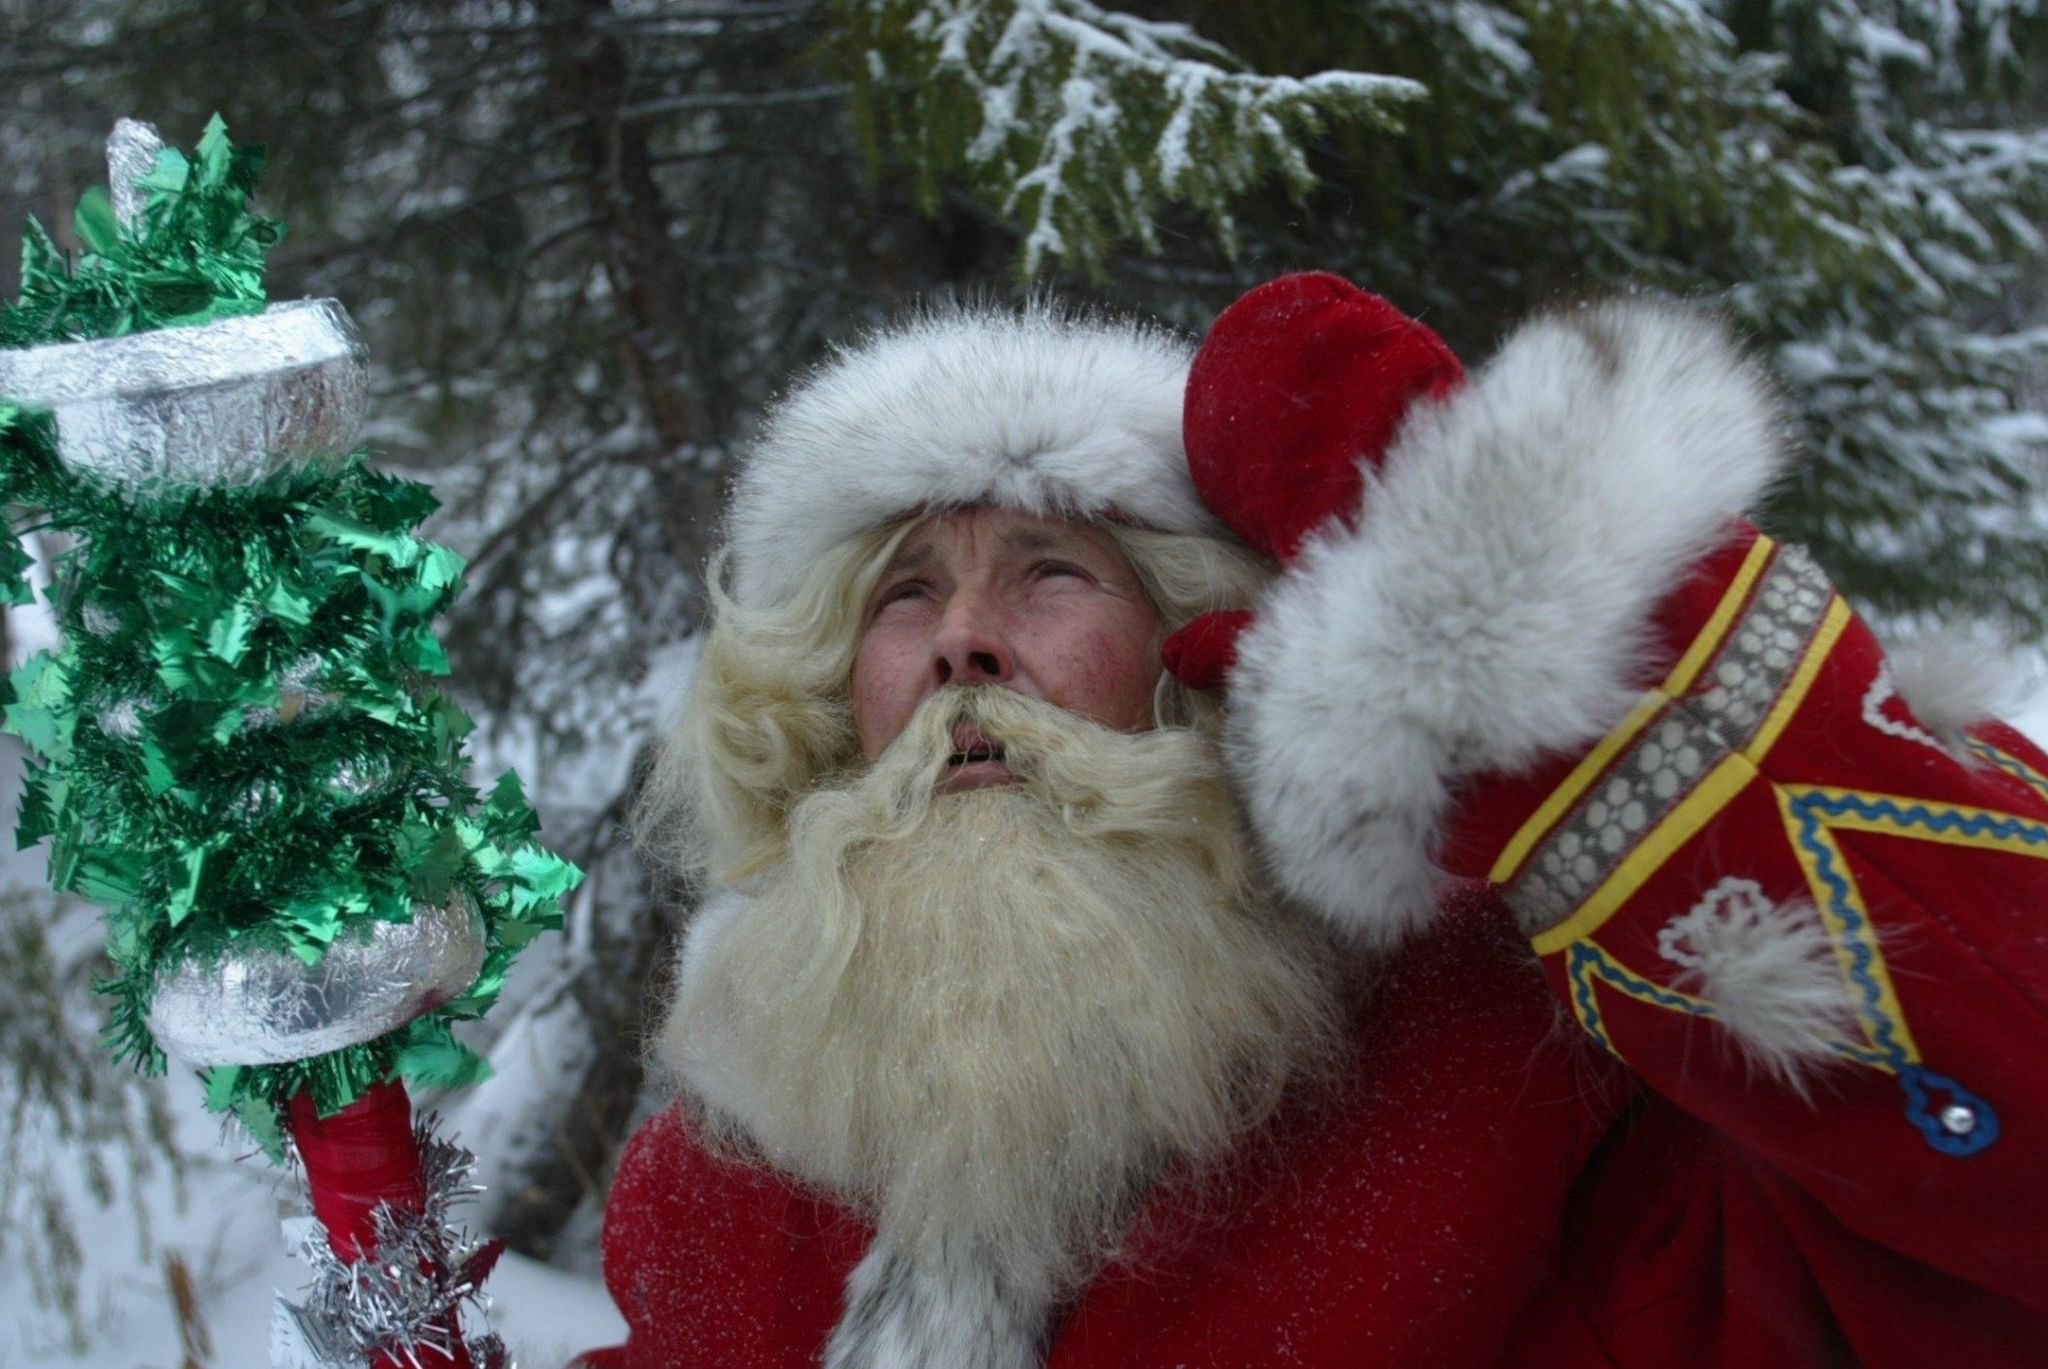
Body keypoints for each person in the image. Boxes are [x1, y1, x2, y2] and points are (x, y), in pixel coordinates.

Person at [579, 275, 2048, 1368]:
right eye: (906, 593)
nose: (964, 640)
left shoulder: (1513, 1059)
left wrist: (1610, 703)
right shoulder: (729, 1167)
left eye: (1048, 573)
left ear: (1199, 653)